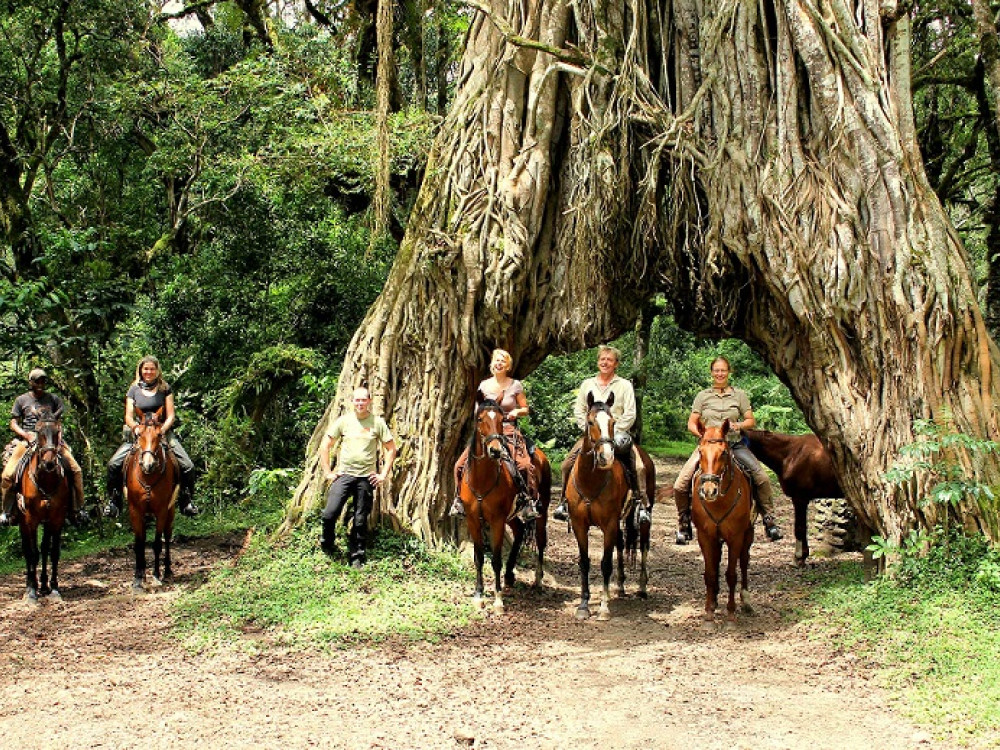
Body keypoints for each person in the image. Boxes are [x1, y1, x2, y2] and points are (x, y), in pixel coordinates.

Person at [672, 356, 782, 544]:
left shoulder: (739, 395)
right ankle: (684, 522)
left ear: (729, 372)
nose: (720, 374)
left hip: (734, 444)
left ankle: (769, 519)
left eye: (723, 370)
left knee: (761, 477)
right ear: (711, 372)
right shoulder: (702, 396)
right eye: (716, 370)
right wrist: (703, 434)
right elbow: (691, 422)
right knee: (680, 484)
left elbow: (750, 420)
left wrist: (738, 425)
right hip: (708, 447)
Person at [552, 345, 651, 524]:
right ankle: (564, 503)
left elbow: (630, 413)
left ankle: (640, 504)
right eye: (602, 359)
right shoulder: (587, 385)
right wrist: (590, 430)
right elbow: (579, 410)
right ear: (598, 362)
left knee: (639, 467)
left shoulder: (624, 385)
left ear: (616, 364)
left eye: (609, 360)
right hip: (593, 435)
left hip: (617, 433)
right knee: (567, 464)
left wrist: (612, 430)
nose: (605, 363)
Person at [449, 348, 540, 523]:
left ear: (508, 366)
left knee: (525, 465)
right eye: (497, 361)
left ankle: (528, 503)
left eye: (503, 361)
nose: (499, 364)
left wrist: (516, 412)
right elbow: (477, 411)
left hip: (507, 429)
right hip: (485, 433)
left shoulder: (515, 385)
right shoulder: (484, 386)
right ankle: (459, 501)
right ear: (492, 364)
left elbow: (525, 408)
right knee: (459, 465)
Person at [105, 356, 200, 518]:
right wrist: (135, 428)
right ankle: (114, 501)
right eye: (146, 369)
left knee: (188, 465)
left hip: (161, 433)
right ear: (140, 370)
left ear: (157, 371)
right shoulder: (133, 389)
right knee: (113, 464)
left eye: (152, 369)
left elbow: (171, 415)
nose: (149, 372)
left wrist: (162, 429)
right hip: (140, 433)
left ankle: (186, 500)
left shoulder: (164, 388)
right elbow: (128, 416)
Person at [319, 386, 397, 569]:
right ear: (352, 401)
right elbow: (325, 446)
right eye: (357, 400)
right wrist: (328, 472)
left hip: (366, 478)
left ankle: (357, 555)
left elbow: (391, 448)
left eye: (364, 400)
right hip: (344, 475)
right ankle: (327, 542)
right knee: (330, 513)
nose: (360, 403)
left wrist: (383, 474)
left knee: (360, 519)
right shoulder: (343, 421)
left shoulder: (377, 423)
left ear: (369, 401)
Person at [0, 368, 89, 526]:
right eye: (37, 381)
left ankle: (78, 509)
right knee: (8, 474)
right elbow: (13, 422)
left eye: (42, 381)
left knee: (76, 470)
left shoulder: (53, 399)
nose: (40, 384)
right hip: (28, 439)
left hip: (51, 440)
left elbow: (58, 423)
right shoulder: (22, 400)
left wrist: (58, 439)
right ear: (31, 382)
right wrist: (26, 434)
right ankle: (7, 512)